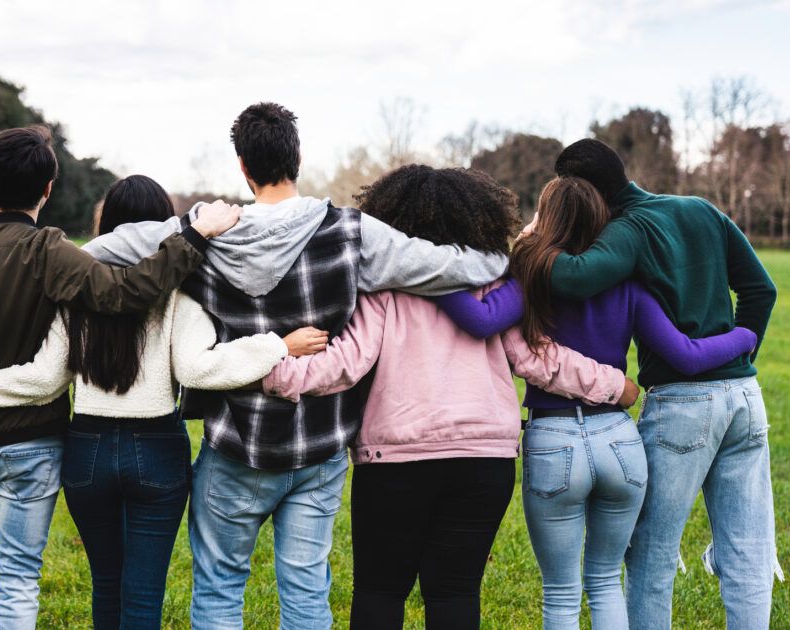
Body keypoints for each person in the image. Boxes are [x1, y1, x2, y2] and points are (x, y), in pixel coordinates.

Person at [80, 103, 509, 630]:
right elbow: (449, 266)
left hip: (237, 442)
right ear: (298, 158)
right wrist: (507, 258)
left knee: (218, 587)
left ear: (242, 167)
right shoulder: (354, 234)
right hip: (318, 446)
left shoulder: (207, 231)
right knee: (306, 590)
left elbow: (98, 252)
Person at [0, 175, 325, 629]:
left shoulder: (75, 291)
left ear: (108, 223)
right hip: (155, 449)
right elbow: (198, 369)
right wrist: (278, 346)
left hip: (87, 452)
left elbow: (42, 381)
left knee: (106, 586)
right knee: (142, 595)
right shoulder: (180, 291)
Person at [261, 165, 639, 630]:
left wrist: (268, 371)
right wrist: (614, 385)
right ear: (477, 217)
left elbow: (343, 363)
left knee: (380, 591)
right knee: (455, 593)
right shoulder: (492, 286)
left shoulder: (384, 288)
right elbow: (539, 359)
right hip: (483, 462)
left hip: (394, 461)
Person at [0, 127, 240, 630]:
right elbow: (123, 293)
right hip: (33, 441)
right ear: (49, 188)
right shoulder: (49, 251)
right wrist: (193, 238)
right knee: (17, 577)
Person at [437, 175, 758, 629]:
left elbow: (484, 320)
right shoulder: (628, 287)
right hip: (620, 444)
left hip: (554, 441)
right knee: (606, 581)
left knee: (562, 594)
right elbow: (686, 355)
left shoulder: (529, 280)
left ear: (544, 219)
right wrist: (744, 335)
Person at [544, 139, 778, 630]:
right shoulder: (700, 208)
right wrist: (742, 352)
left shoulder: (629, 230)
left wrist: (536, 234)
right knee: (749, 552)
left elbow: (570, 277)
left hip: (682, 407)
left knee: (651, 554)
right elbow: (761, 289)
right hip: (745, 400)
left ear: (584, 192)